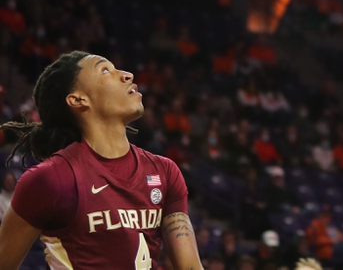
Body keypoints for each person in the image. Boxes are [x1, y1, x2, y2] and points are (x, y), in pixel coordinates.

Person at [0, 50, 202, 270]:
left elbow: (190, 266)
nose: (127, 75)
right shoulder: (52, 179)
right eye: (106, 70)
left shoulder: (164, 171)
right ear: (78, 99)